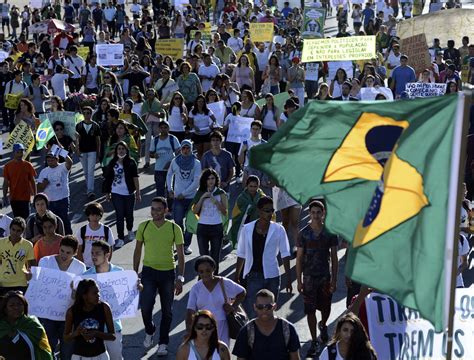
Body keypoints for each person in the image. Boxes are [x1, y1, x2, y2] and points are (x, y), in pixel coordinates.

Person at [133, 197, 185, 356]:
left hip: (168, 273)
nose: (155, 212)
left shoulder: (174, 228)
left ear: (166, 211)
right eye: (153, 208)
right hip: (148, 272)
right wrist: (135, 273)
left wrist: (180, 278)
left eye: (158, 209)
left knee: (167, 311)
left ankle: (163, 343)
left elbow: (181, 256)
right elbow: (137, 251)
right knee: (146, 307)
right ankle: (150, 330)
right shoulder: (144, 226)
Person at [83, 240, 141, 360]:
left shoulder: (119, 273)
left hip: (114, 327)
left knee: (115, 357)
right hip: (93, 327)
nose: (93, 256)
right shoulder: (86, 276)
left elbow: (131, 292)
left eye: (97, 253)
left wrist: (139, 287)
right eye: (92, 253)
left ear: (107, 255)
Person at [235, 196, 292, 317]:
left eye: (272, 210)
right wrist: (237, 276)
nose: (270, 213)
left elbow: (285, 253)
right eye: (267, 210)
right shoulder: (247, 229)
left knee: (269, 313)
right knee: (253, 312)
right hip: (253, 276)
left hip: (272, 276)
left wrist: (288, 277)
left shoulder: (279, 229)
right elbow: (241, 254)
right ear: (259, 211)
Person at [296, 200, 339, 356]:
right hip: (308, 278)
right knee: (310, 310)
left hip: (324, 278)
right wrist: (299, 280)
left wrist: (334, 279)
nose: (315, 215)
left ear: (323, 213)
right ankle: (314, 340)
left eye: (318, 212)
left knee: (326, 308)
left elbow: (334, 257)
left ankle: (324, 324)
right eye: (312, 212)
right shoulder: (303, 233)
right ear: (309, 214)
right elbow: (299, 258)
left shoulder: (330, 232)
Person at [38, 235, 86, 360]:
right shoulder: (45, 261)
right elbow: (38, 286)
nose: (64, 255)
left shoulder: (80, 267)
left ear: (75, 253)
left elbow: (81, 293)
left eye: (68, 252)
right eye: (62, 251)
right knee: (47, 350)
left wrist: (76, 294)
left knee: (67, 352)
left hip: (69, 316)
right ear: (58, 248)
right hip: (48, 315)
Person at [186, 256, 246, 346]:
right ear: (198, 273)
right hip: (203, 329)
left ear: (214, 268)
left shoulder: (224, 282)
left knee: (221, 354)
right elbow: (190, 311)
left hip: (222, 327)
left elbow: (242, 292)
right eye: (201, 272)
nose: (205, 274)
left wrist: (233, 307)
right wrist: (189, 331)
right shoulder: (196, 288)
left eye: (208, 270)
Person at [232, 289, 301, 359]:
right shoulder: (245, 332)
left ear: (274, 307)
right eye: (260, 307)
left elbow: (295, 357)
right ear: (255, 307)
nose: (264, 310)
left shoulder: (288, 329)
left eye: (268, 307)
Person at [64, 279, 116, 359]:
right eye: (95, 293)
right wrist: (76, 333)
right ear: (84, 296)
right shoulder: (71, 312)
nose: (98, 295)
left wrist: (96, 333)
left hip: (100, 356)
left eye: (98, 292)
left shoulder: (104, 308)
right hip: (79, 357)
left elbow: (113, 336)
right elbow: (66, 338)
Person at [103, 142, 141, 248]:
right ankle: (120, 238)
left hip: (129, 193)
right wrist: (107, 193)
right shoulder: (112, 163)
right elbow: (108, 178)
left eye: (123, 149)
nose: (121, 151)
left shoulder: (131, 162)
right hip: (116, 193)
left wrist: (138, 192)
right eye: (119, 149)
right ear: (116, 151)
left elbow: (135, 178)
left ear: (126, 150)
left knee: (129, 214)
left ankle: (130, 230)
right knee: (119, 216)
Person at [167, 139, 201, 255]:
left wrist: (184, 193)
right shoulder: (175, 161)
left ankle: (186, 245)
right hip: (177, 198)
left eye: (188, 148)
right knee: (177, 222)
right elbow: (169, 174)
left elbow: (196, 182)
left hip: (191, 198)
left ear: (191, 149)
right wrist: (170, 189)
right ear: (181, 149)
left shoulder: (196, 163)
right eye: (184, 148)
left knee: (190, 223)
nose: (186, 150)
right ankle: (179, 244)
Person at [191, 169, 228, 274]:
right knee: (203, 257)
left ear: (216, 180)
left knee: (215, 256)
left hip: (216, 227)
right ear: (204, 180)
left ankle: (214, 277)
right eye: (208, 179)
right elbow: (194, 210)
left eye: (212, 178)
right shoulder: (200, 192)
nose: (210, 181)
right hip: (203, 227)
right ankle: (202, 279)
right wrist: (203, 198)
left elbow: (225, 212)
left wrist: (215, 201)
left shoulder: (221, 193)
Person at [0, 291, 53, 360]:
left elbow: (44, 351)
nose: (16, 307)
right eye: (11, 305)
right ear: (5, 309)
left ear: (25, 306)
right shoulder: (1, 326)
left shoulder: (33, 325)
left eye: (20, 304)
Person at [37, 151, 73, 235]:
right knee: (52, 221)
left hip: (62, 199)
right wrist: (44, 184)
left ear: (57, 159)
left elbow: (70, 162)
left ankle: (68, 237)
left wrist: (61, 151)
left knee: (64, 219)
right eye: (48, 160)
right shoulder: (44, 171)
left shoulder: (62, 167)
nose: (50, 162)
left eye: (52, 160)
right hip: (50, 201)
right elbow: (38, 188)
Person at [0, 217, 36, 295]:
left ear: (22, 231)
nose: (15, 233)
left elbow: (32, 264)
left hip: (21, 283)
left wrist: (30, 273)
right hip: (3, 282)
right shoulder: (1, 243)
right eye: (13, 229)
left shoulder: (28, 245)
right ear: (9, 229)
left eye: (18, 231)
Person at [3, 143, 37, 220]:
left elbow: (32, 181)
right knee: (17, 220)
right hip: (14, 198)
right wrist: (5, 196)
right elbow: (5, 183)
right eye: (17, 152)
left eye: (21, 152)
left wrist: (35, 195)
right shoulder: (7, 166)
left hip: (25, 198)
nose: (20, 154)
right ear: (13, 153)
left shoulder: (28, 165)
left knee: (26, 219)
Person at [76, 202, 115, 268]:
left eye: (97, 215)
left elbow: (110, 249)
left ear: (100, 215)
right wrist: (82, 265)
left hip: (101, 265)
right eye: (92, 215)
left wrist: (106, 263)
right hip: (86, 266)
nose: (95, 217)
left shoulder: (106, 230)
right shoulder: (82, 230)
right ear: (88, 215)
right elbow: (79, 250)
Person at [150, 120, 181, 197]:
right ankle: (161, 208)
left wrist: (172, 162)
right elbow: (150, 153)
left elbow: (179, 154)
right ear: (158, 129)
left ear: (169, 128)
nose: (163, 129)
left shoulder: (173, 139)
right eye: (161, 127)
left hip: (171, 169)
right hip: (159, 169)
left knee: (171, 191)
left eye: (165, 127)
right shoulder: (155, 140)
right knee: (160, 191)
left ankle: (170, 208)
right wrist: (154, 155)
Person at [76, 106, 101, 199]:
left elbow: (98, 140)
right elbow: (77, 139)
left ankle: (90, 191)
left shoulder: (95, 126)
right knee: (86, 172)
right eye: (85, 113)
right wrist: (77, 150)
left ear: (91, 114)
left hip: (92, 151)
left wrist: (98, 153)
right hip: (82, 151)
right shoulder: (79, 125)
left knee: (90, 172)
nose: (86, 115)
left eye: (88, 113)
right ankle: (88, 188)